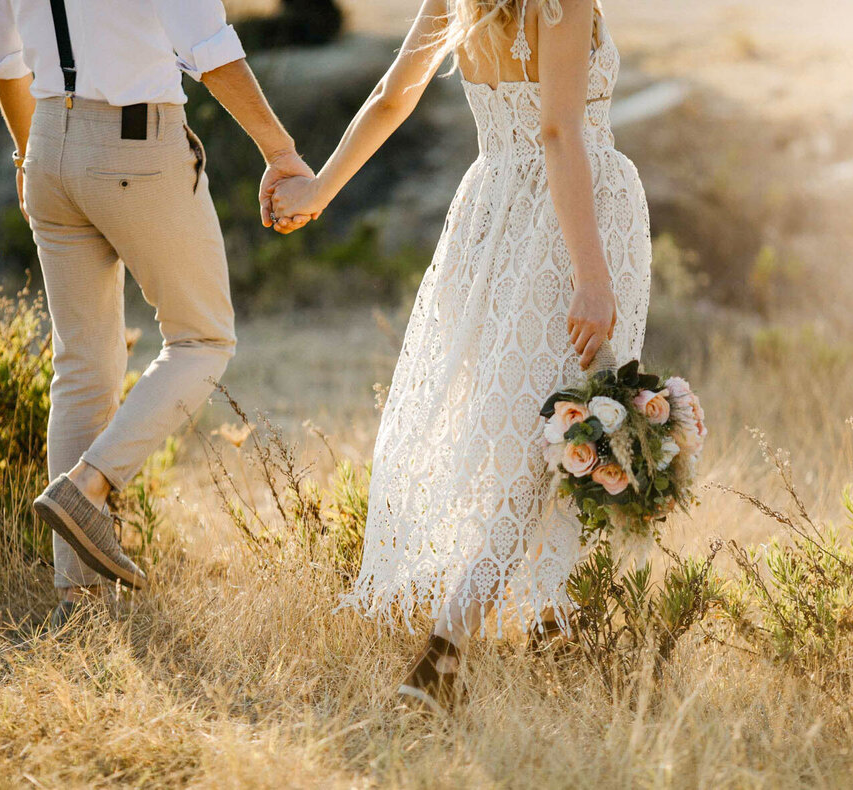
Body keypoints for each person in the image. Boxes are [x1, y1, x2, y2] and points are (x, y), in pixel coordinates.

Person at [270, 0, 652, 713]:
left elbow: (392, 97)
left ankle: (551, 621)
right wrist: (592, 275)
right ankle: (444, 652)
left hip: (491, 214)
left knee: (539, 424)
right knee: (560, 430)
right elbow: (560, 131)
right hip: (568, 222)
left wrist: (321, 188)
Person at [0, 0, 315, 628]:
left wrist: (29, 154)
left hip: (47, 143)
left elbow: (0, 56)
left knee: (81, 368)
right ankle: (88, 487)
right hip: (137, 144)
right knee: (203, 340)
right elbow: (211, 49)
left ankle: (78, 609)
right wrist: (281, 152)